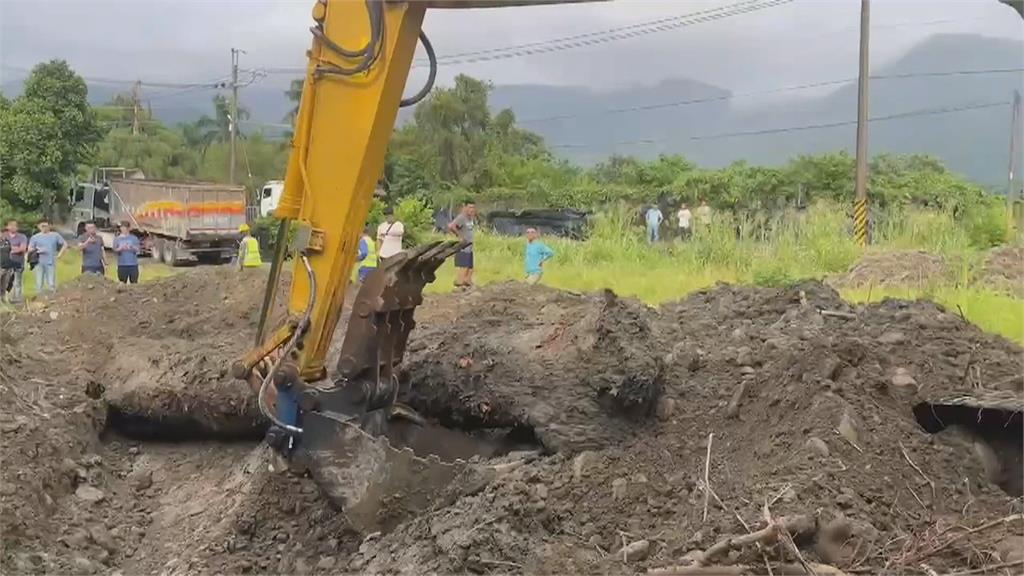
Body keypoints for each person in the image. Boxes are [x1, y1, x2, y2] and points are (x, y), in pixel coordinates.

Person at [27, 220, 66, 294]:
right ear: (39, 227)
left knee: (51, 282)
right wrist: (38, 250)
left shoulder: (55, 235)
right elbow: (29, 249)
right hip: (38, 262)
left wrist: (60, 254)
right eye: (42, 226)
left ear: (49, 226)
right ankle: (39, 298)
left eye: (46, 226)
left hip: (50, 261)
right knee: (39, 282)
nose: (44, 228)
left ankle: (52, 298)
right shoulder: (35, 237)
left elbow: (65, 244)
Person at [447, 202, 476, 289]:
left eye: (473, 208)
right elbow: (451, 226)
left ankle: (467, 282)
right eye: (470, 207)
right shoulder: (461, 217)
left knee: (470, 267)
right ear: (465, 207)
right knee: (464, 266)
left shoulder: (470, 218)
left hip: (469, 246)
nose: (472, 209)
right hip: (464, 246)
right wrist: (459, 237)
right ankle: (459, 284)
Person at [1, 220, 26, 303]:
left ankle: (17, 300)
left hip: (18, 263)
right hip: (4, 265)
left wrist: (10, 249)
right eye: (10, 225)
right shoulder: (4, 236)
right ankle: (3, 300)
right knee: (5, 283)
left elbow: (22, 248)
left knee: (17, 282)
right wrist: (14, 248)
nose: (12, 227)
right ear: (7, 227)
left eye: (14, 225)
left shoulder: (22, 237)